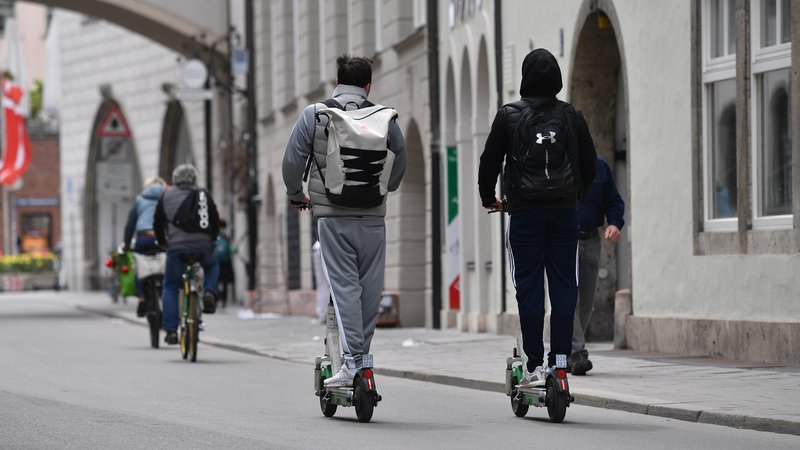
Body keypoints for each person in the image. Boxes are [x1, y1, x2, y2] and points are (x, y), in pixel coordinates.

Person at [282, 54, 406, 387]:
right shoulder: (385, 118)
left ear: (336, 81)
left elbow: (292, 163)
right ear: (368, 86)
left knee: (345, 287)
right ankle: (361, 360)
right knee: (370, 291)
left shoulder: (316, 114)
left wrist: (297, 193)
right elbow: (400, 165)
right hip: (373, 218)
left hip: (333, 218)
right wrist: (383, 188)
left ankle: (353, 364)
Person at [478, 48, 596, 386]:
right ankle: (560, 361)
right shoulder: (573, 116)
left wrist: (491, 198)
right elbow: (589, 165)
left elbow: (489, 163)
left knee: (528, 290)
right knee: (564, 289)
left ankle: (532, 365)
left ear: (525, 78)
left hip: (525, 215)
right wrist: (575, 197)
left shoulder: (508, 116)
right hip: (563, 214)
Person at [569, 156, 625, 375]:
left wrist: (614, 223)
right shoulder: (558, 163)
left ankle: (566, 349)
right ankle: (577, 352)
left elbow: (614, 200)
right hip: (563, 240)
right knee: (568, 298)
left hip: (592, 239)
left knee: (587, 302)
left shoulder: (600, 166)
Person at [154, 164, 220, 345]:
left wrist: (162, 243)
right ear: (194, 179)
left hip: (176, 248)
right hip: (203, 246)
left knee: (170, 287)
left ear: (174, 179)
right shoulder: (203, 194)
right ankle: (209, 291)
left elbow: (158, 223)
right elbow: (214, 219)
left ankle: (170, 331)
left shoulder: (165, 195)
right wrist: (212, 240)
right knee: (212, 265)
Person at [123, 176, 167, 317]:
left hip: (143, 238)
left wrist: (127, 244)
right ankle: (164, 294)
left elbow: (130, 225)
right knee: (167, 266)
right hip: (161, 238)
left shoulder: (140, 199)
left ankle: (142, 298)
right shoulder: (167, 197)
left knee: (140, 268)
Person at [215, 219, 235, 310]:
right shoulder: (226, 238)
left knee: (216, 282)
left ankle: (217, 300)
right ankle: (223, 301)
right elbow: (233, 249)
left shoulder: (215, 237)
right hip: (225, 263)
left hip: (217, 263)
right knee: (224, 282)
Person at [312, 240, 330, 324]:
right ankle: (325, 314)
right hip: (327, 247)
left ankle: (323, 314)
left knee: (323, 283)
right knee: (329, 283)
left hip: (318, 247)